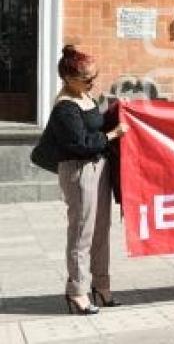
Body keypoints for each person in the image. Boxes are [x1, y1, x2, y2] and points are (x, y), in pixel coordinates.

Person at [40, 45, 128, 314]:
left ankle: (101, 287)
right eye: (87, 78)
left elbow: (95, 125)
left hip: (98, 169)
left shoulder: (86, 97)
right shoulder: (64, 107)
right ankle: (77, 292)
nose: (92, 82)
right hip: (79, 171)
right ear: (68, 78)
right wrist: (113, 135)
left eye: (94, 76)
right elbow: (80, 143)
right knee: (81, 233)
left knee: (101, 230)